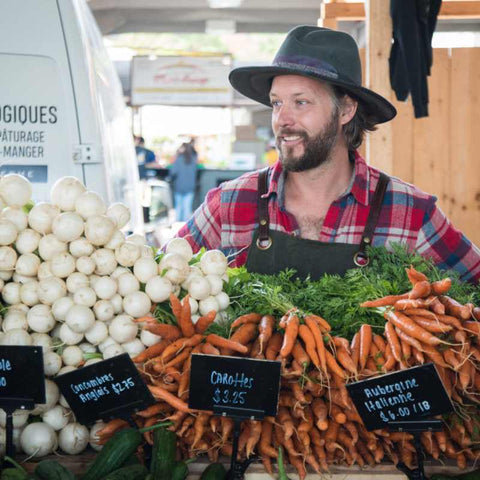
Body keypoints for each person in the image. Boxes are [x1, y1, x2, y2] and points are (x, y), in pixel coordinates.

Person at [176, 25, 480, 283]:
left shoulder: (410, 213)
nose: (282, 119)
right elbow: (156, 281)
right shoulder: (229, 205)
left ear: (345, 110)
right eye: (277, 103)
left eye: (301, 102)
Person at [170, 142, 198, 222]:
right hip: (190, 187)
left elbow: (173, 172)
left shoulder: (178, 160)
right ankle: (185, 229)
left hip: (179, 186)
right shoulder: (194, 159)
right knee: (187, 209)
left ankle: (177, 228)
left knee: (178, 208)